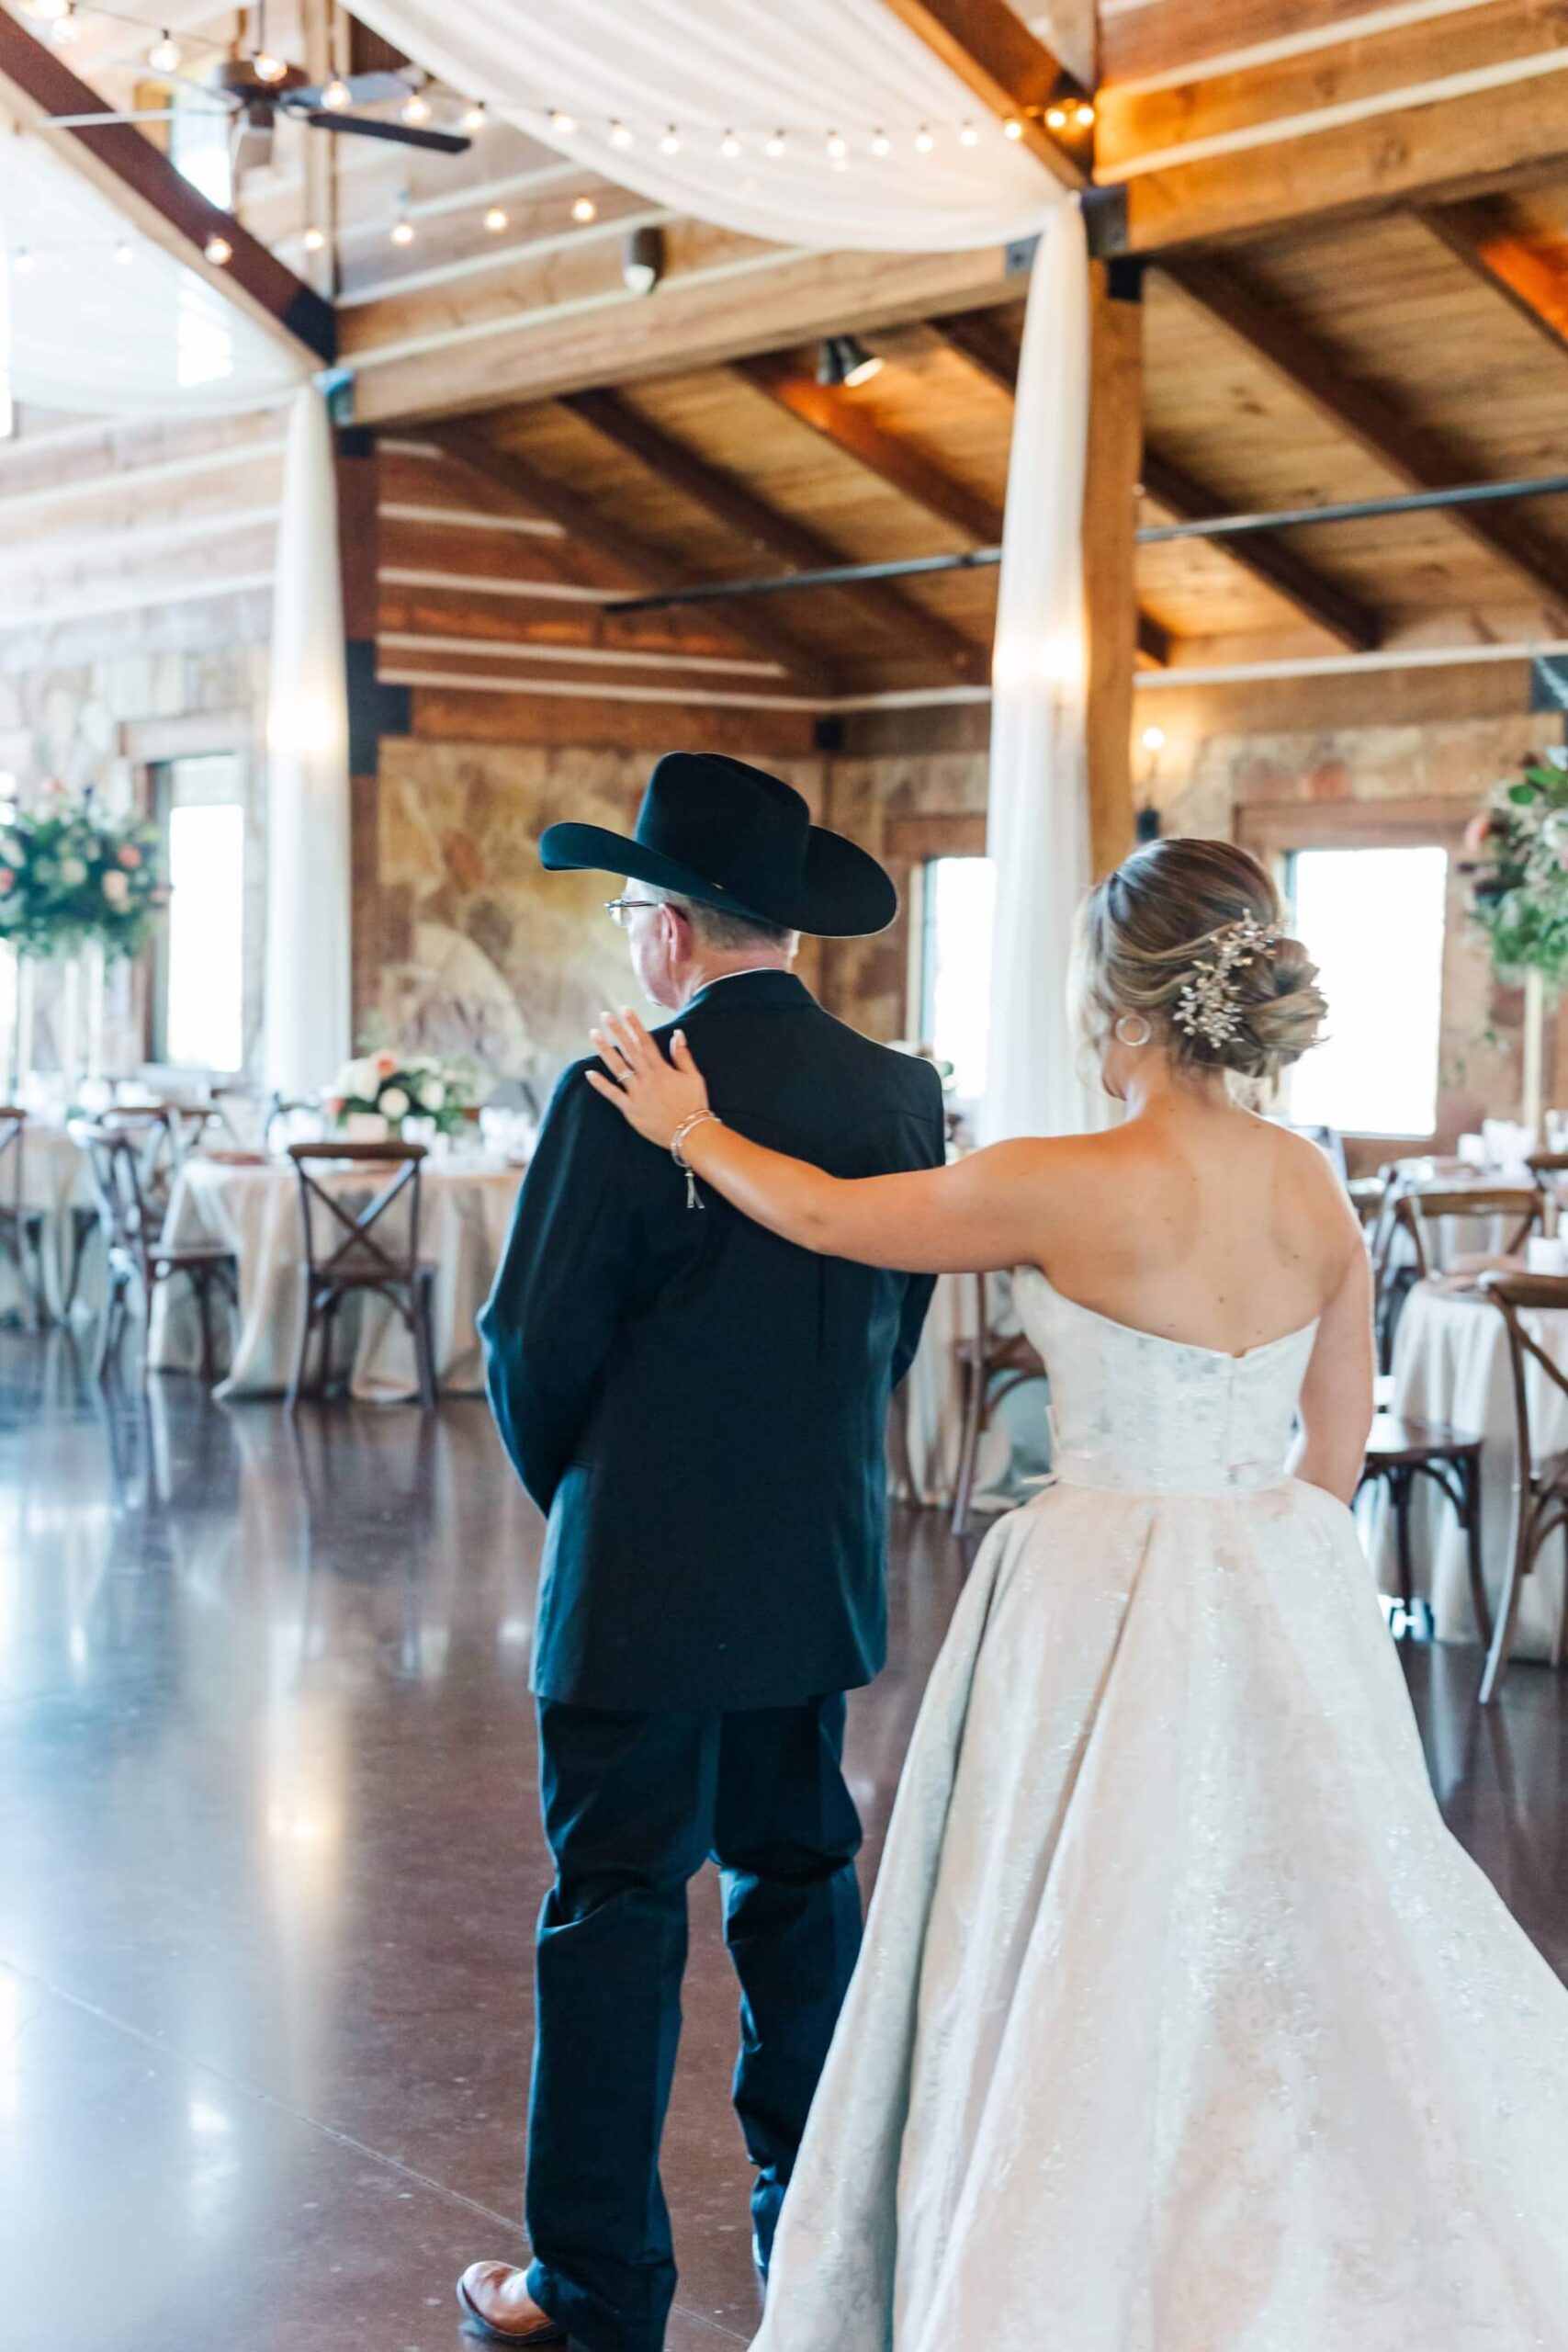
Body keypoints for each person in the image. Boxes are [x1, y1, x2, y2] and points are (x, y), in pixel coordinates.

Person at [588, 833, 1568, 2350]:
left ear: (1119, 1005)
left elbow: (838, 1219)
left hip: (1095, 1579)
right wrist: (1261, 1573)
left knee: (1080, 1915)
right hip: (1280, 1575)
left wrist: (689, 1130)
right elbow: (1337, 1431)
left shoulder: (1057, 1181)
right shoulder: (1313, 1182)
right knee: (1302, 1918)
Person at [458, 752, 946, 2349]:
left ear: (669, 930)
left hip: (641, 1585)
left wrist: (599, 1502)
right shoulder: (896, 1094)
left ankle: (596, 2294)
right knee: (801, 1893)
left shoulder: (624, 1082)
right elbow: (896, 1322)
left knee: (612, 1909)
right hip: (815, 1570)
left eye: (628, 910)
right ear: (779, 929)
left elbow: (535, 1346)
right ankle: (816, 2250)